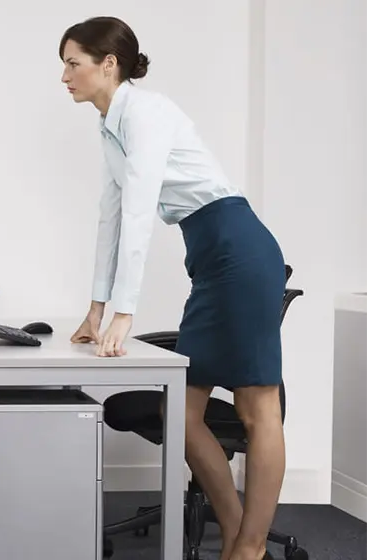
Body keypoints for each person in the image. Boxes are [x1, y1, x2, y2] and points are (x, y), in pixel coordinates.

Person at [60, 16, 285, 560]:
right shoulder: (110, 124)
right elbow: (111, 217)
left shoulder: (149, 114)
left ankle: (250, 548)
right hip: (209, 258)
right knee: (179, 414)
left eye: (73, 63)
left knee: (258, 408)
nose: (64, 76)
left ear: (107, 64)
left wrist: (124, 314)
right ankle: (233, 529)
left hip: (239, 248)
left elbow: (141, 212)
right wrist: (95, 309)